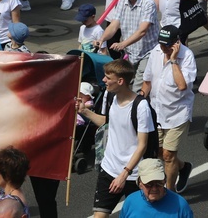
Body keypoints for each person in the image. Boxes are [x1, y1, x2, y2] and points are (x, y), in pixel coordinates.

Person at [77, 59, 154, 217]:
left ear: (120, 81)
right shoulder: (110, 96)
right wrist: (84, 111)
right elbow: (108, 123)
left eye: (107, 77)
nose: (103, 80)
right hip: (109, 169)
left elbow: (142, 145)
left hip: (133, 175)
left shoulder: (141, 107)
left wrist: (124, 174)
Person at [141, 26, 197, 193]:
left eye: (167, 45)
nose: (163, 48)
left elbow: (182, 85)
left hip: (177, 114)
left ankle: (169, 193)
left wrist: (173, 61)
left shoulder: (186, 56)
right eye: (161, 44)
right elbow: (148, 81)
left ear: (176, 43)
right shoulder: (155, 52)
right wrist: (140, 99)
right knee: (158, 152)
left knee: (167, 156)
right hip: (157, 112)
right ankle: (184, 167)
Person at [95, 0, 159, 92]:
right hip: (131, 53)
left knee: (137, 90)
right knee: (121, 86)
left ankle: (141, 107)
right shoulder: (121, 2)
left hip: (148, 53)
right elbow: (114, 25)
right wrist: (102, 38)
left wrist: (123, 44)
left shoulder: (148, 3)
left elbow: (142, 31)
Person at [120, 159, 193, 217]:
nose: (154, 189)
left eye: (158, 183)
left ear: (164, 181)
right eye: (149, 184)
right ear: (140, 184)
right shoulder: (130, 202)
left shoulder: (180, 205)